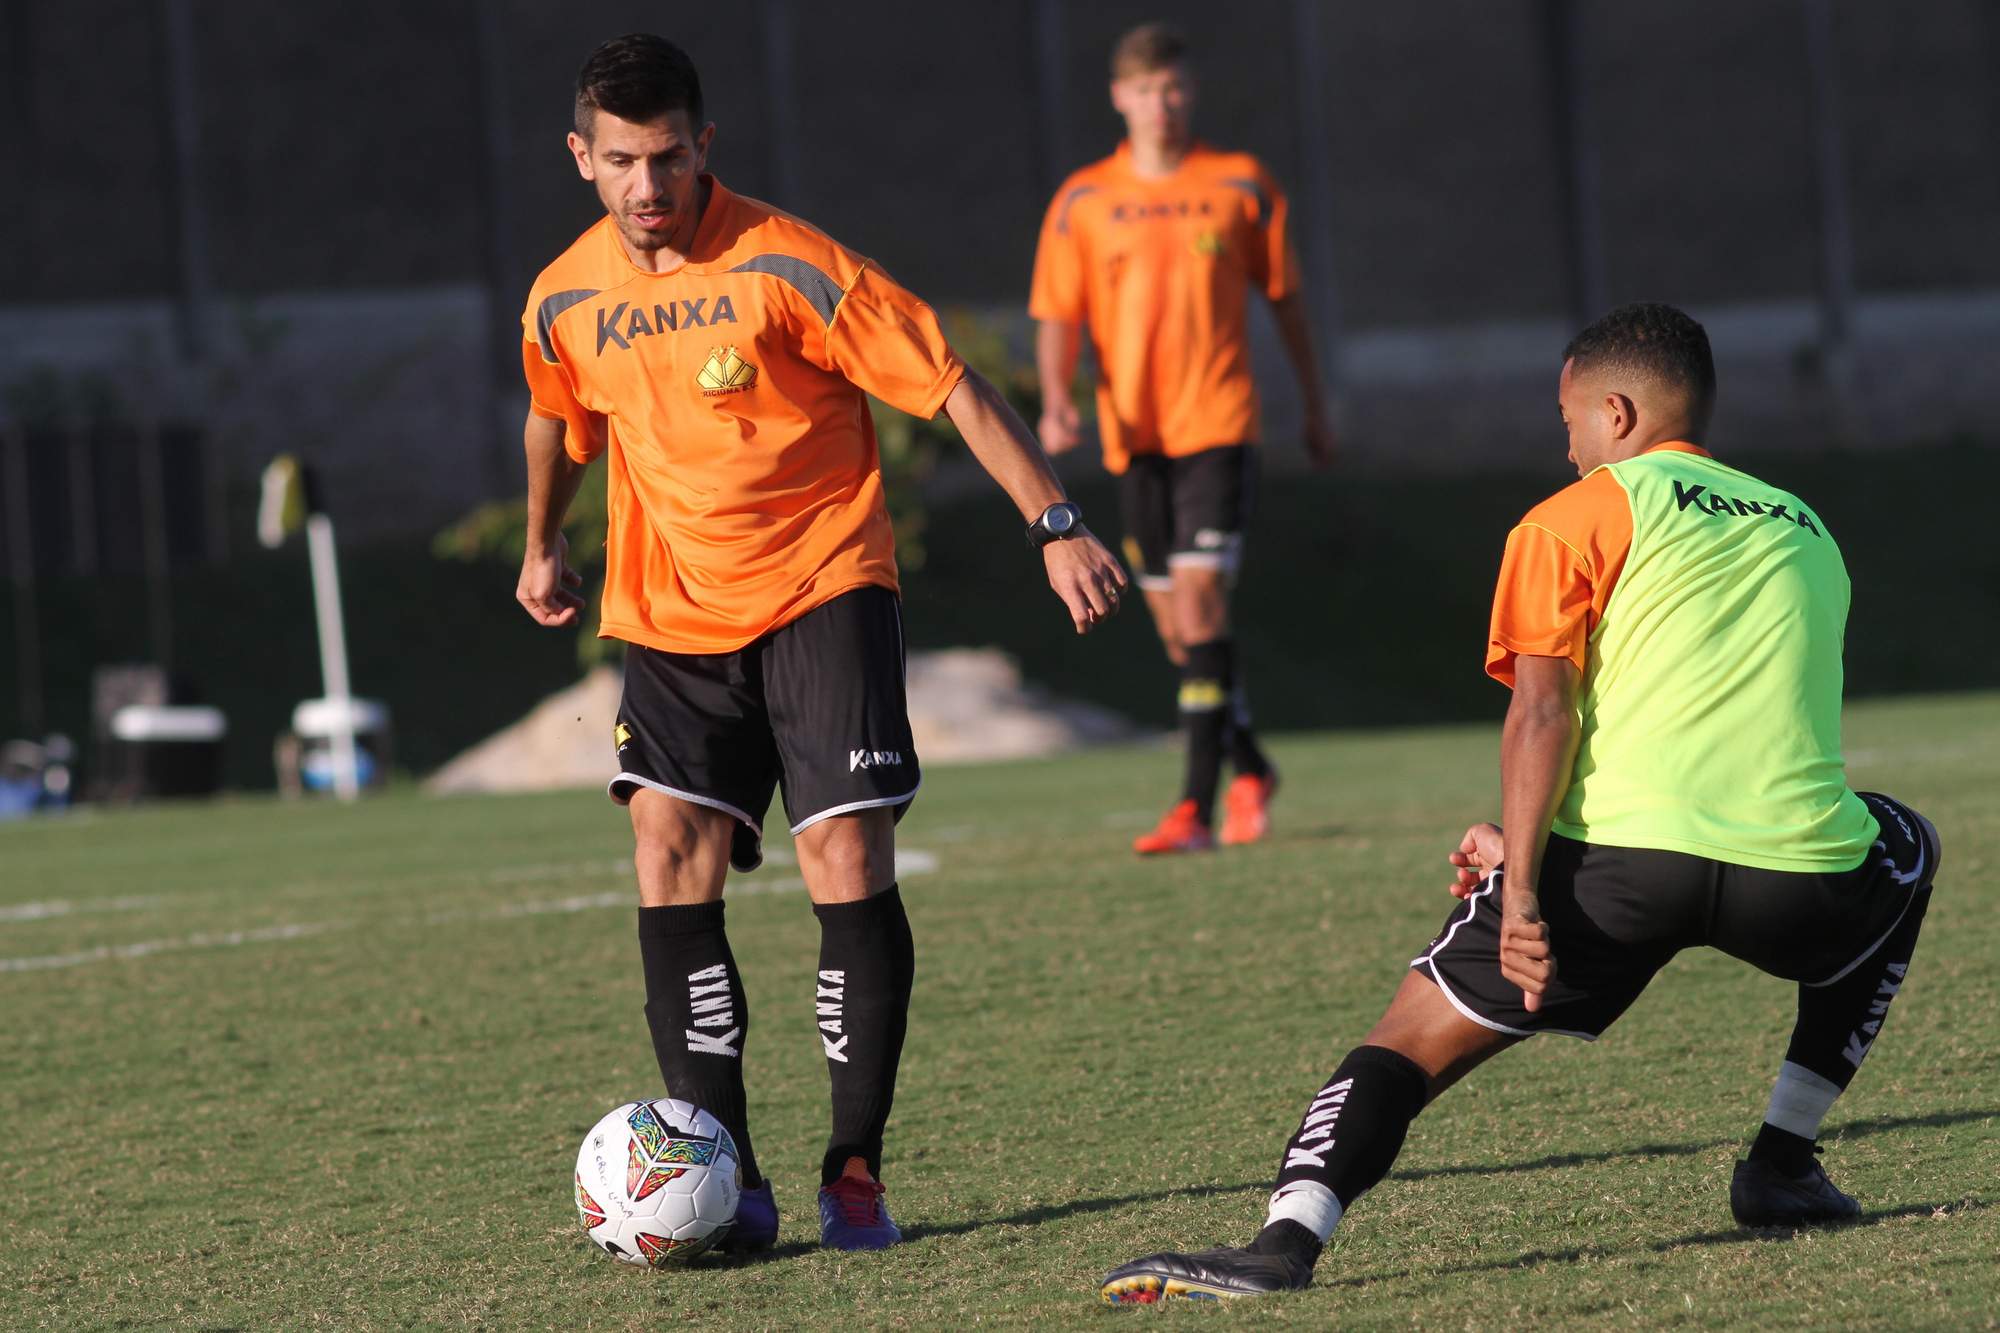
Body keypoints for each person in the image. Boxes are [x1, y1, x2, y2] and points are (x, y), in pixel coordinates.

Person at [1098, 303, 1941, 1302]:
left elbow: (1542, 715)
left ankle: (1286, 1238)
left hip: (1614, 877)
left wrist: (1523, 884)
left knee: (1404, 1044)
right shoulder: (1805, 527)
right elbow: (1726, 729)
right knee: (1907, 843)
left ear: (1615, 412)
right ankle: (1781, 1160)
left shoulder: (1569, 516)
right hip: (1796, 878)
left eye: (1567, 417)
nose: (1566, 441)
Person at [516, 34, 1126, 1255]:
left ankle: (853, 1170)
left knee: (843, 854)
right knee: (666, 847)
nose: (649, 185)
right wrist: (539, 543)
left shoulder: (789, 262)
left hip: (822, 583)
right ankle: (725, 1173)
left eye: (671, 156)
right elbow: (554, 413)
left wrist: (1053, 524)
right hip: (669, 613)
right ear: (582, 157)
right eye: (624, 161)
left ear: (705, 147)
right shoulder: (562, 294)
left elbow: (948, 379)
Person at [1029, 22, 1335, 855]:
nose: (1161, 105)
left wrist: (1314, 405)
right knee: (1178, 633)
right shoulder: (1083, 200)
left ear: (1189, 94)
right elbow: (1059, 313)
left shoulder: (1240, 185)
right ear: (1118, 97)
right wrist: (1058, 398)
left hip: (1219, 424)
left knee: (1201, 607)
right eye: (1144, 90)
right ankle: (1251, 763)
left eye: (1174, 89)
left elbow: (1288, 303)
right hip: (1136, 438)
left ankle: (1193, 810)